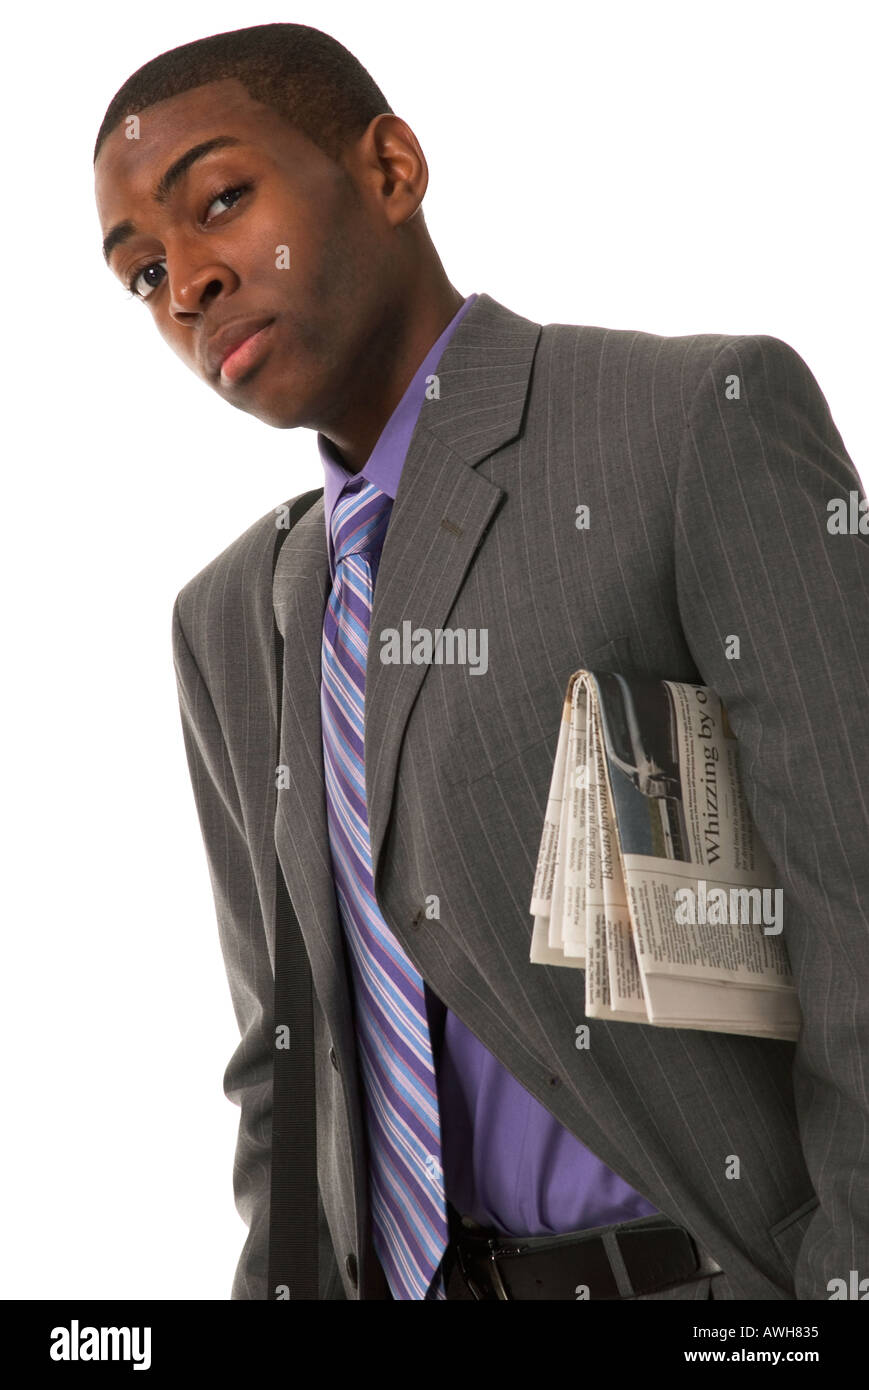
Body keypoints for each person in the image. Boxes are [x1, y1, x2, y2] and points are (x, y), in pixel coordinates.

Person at [94, 22, 869, 1301]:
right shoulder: (231, 614)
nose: (186, 284)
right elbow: (285, 1073)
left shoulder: (686, 426)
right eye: (139, 275)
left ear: (391, 167)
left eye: (221, 201)